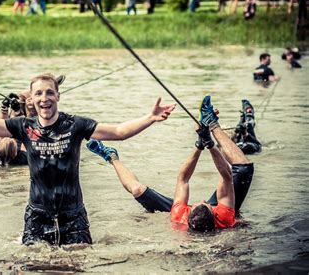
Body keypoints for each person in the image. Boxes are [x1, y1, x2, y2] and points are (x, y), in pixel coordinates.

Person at [0, 66, 176, 245]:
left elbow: (119, 132)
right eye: (38, 94)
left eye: (49, 93)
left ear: (58, 96)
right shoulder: (23, 126)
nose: (44, 98)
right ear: (32, 98)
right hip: (37, 217)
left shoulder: (76, 125)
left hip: (74, 217)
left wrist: (150, 118)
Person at [88, 95, 254, 232]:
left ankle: (111, 156)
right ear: (214, 209)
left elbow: (183, 178)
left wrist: (199, 146)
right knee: (244, 169)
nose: (201, 199)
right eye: (204, 202)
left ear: (188, 214)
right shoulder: (224, 216)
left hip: (189, 219)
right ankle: (212, 123)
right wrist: (207, 143)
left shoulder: (179, 214)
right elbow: (225, 175)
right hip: (211, 218)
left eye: (197, 203)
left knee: (137, 189)